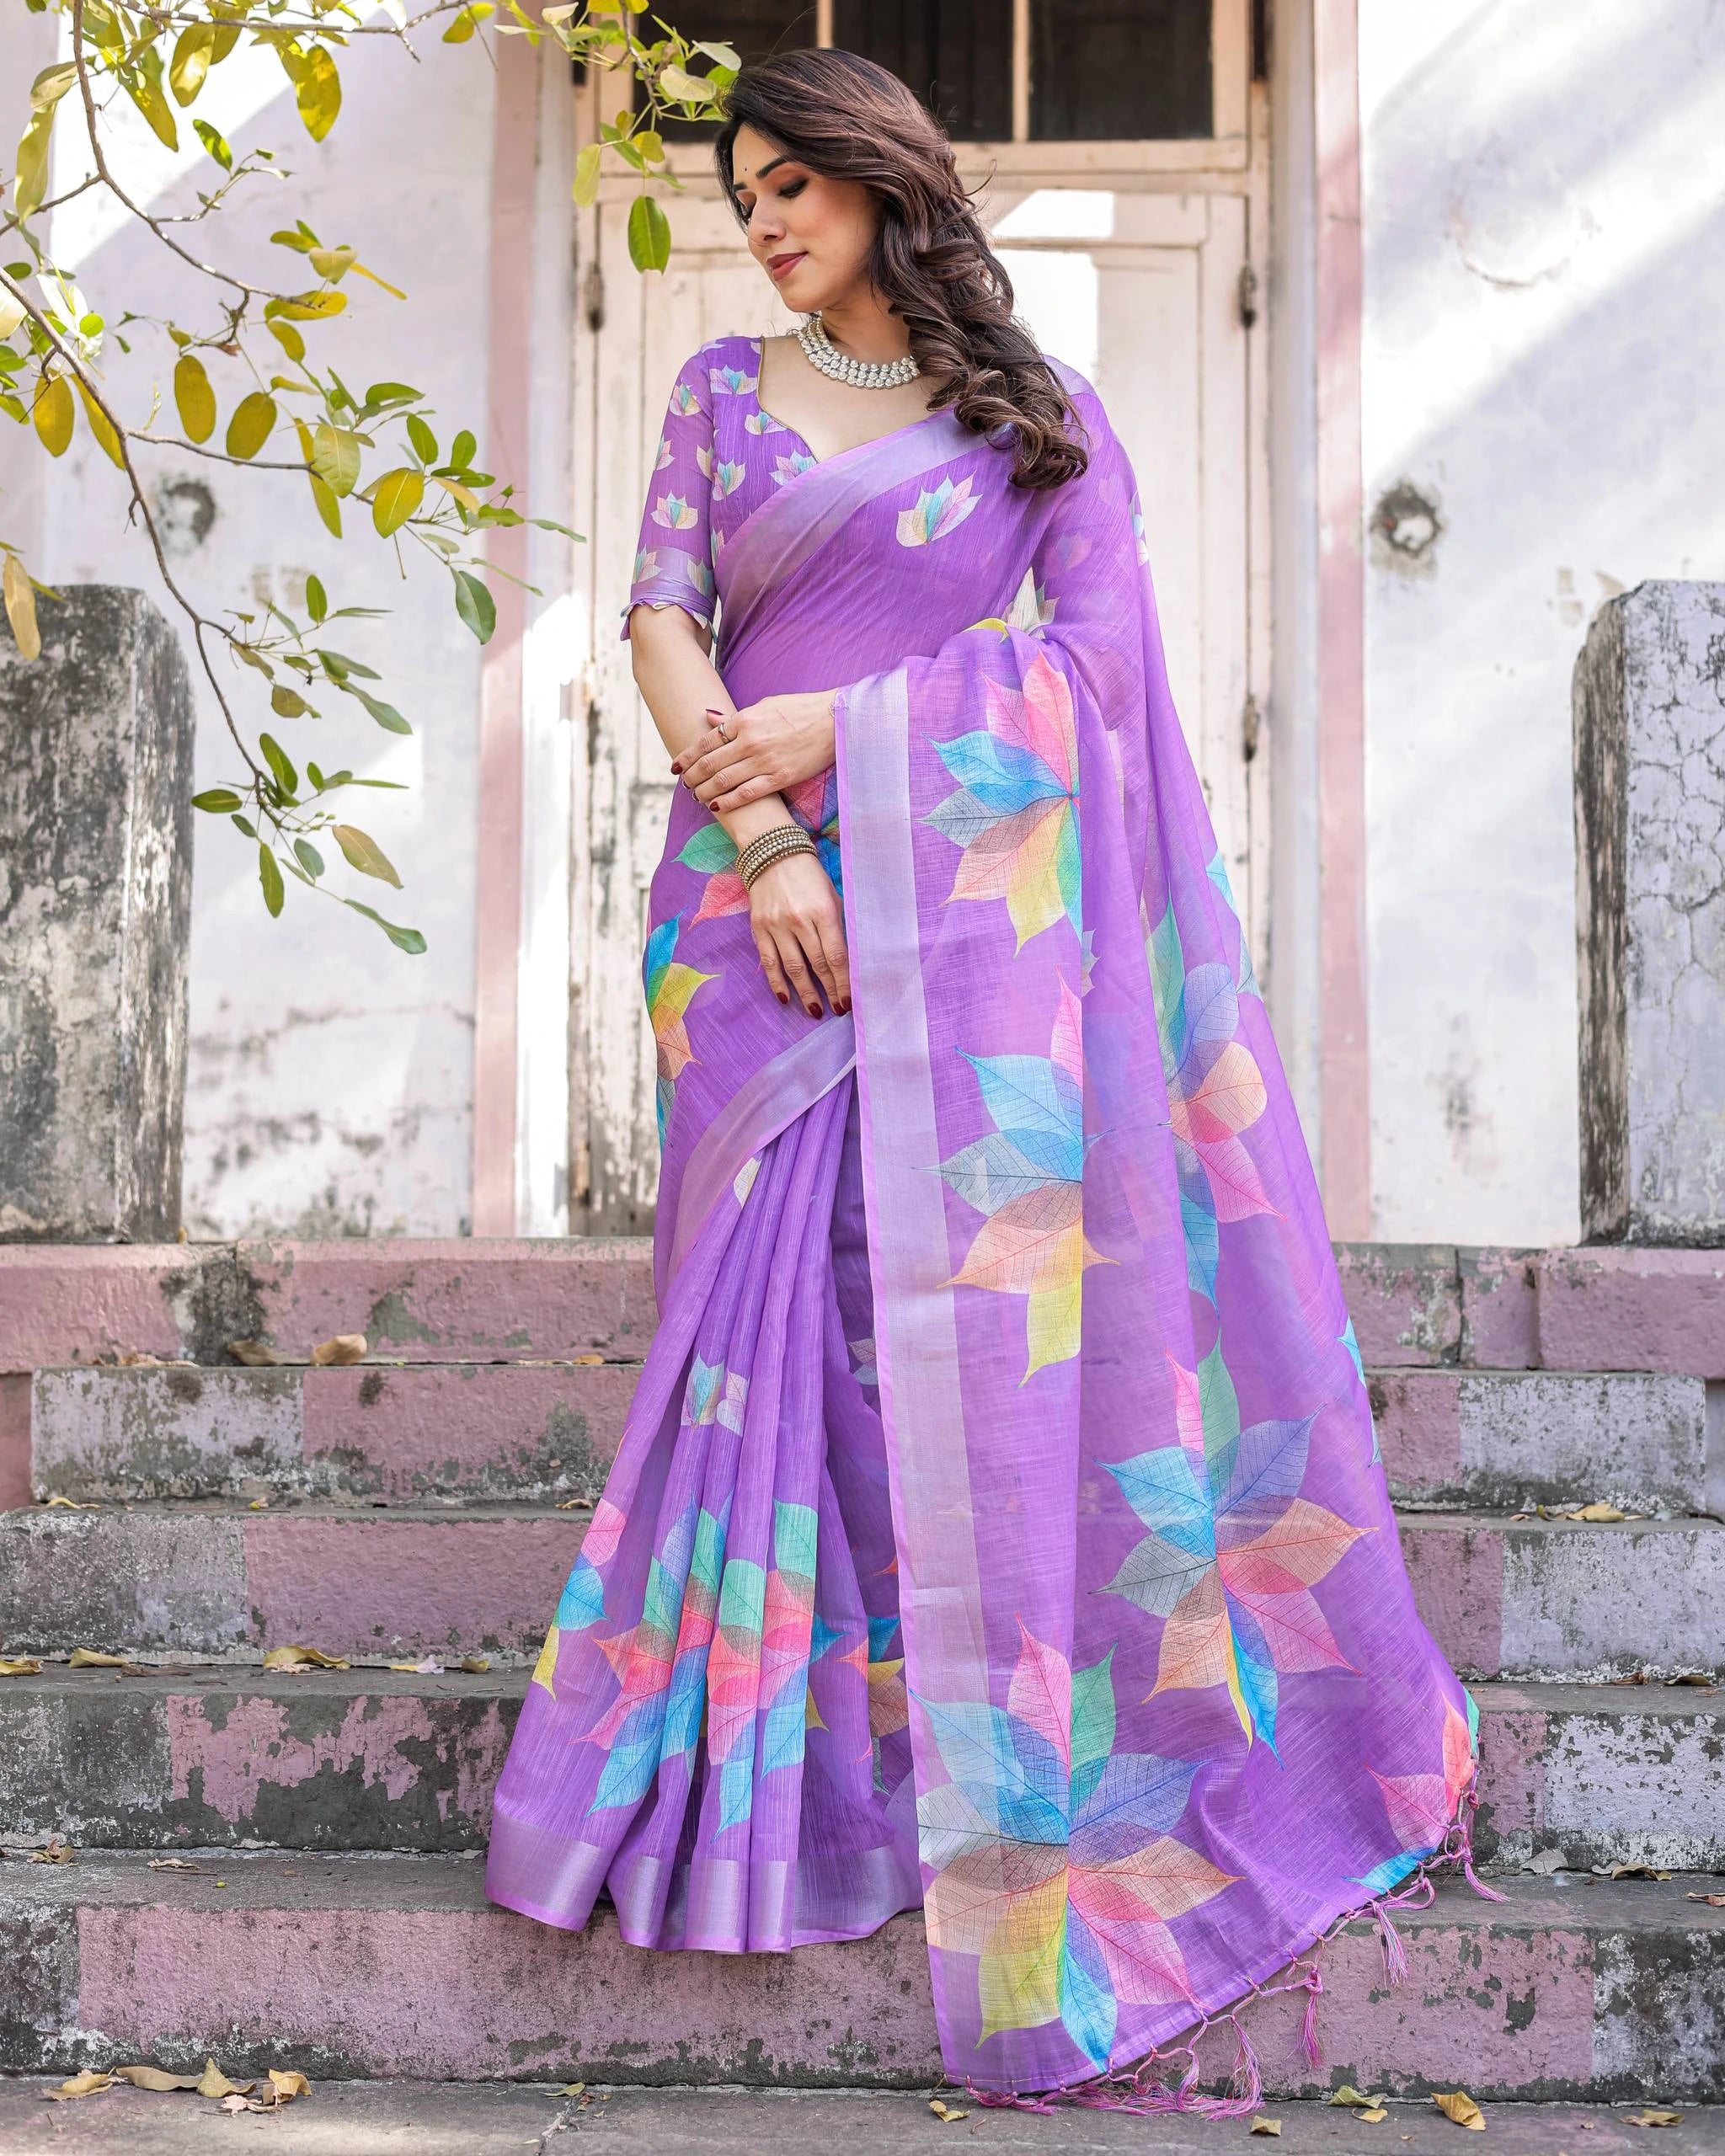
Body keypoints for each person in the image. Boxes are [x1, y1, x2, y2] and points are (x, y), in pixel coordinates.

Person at [487, 46, 1484, 2107]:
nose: (759, 220)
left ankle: (922, 1751)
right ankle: (768, 1778)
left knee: (897, 1307)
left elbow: (1104, 679)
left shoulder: (1033, 417)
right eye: (742, 188)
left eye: (795, 185)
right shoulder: (716, 398)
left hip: (950, 909)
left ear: (881, 184)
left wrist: (848, 733)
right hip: (734, 900)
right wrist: (762, 831)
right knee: (760, 1307)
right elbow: (657, 616)